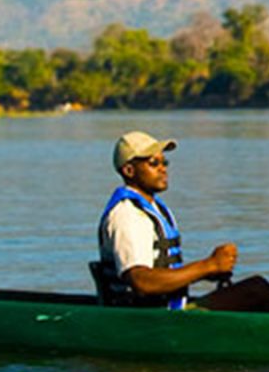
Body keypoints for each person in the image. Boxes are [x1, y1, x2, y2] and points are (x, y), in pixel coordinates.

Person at [91, 131, 237, 308]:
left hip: (167, 309)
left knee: (254, 290)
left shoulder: (155, 208)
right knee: (255, 293)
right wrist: (209, 266)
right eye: (154, 163)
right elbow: (141, 281)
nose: (163, 168)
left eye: (164, 162)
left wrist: (209, 272)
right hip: (143, 315)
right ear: (129, 170)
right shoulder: (128, 215)